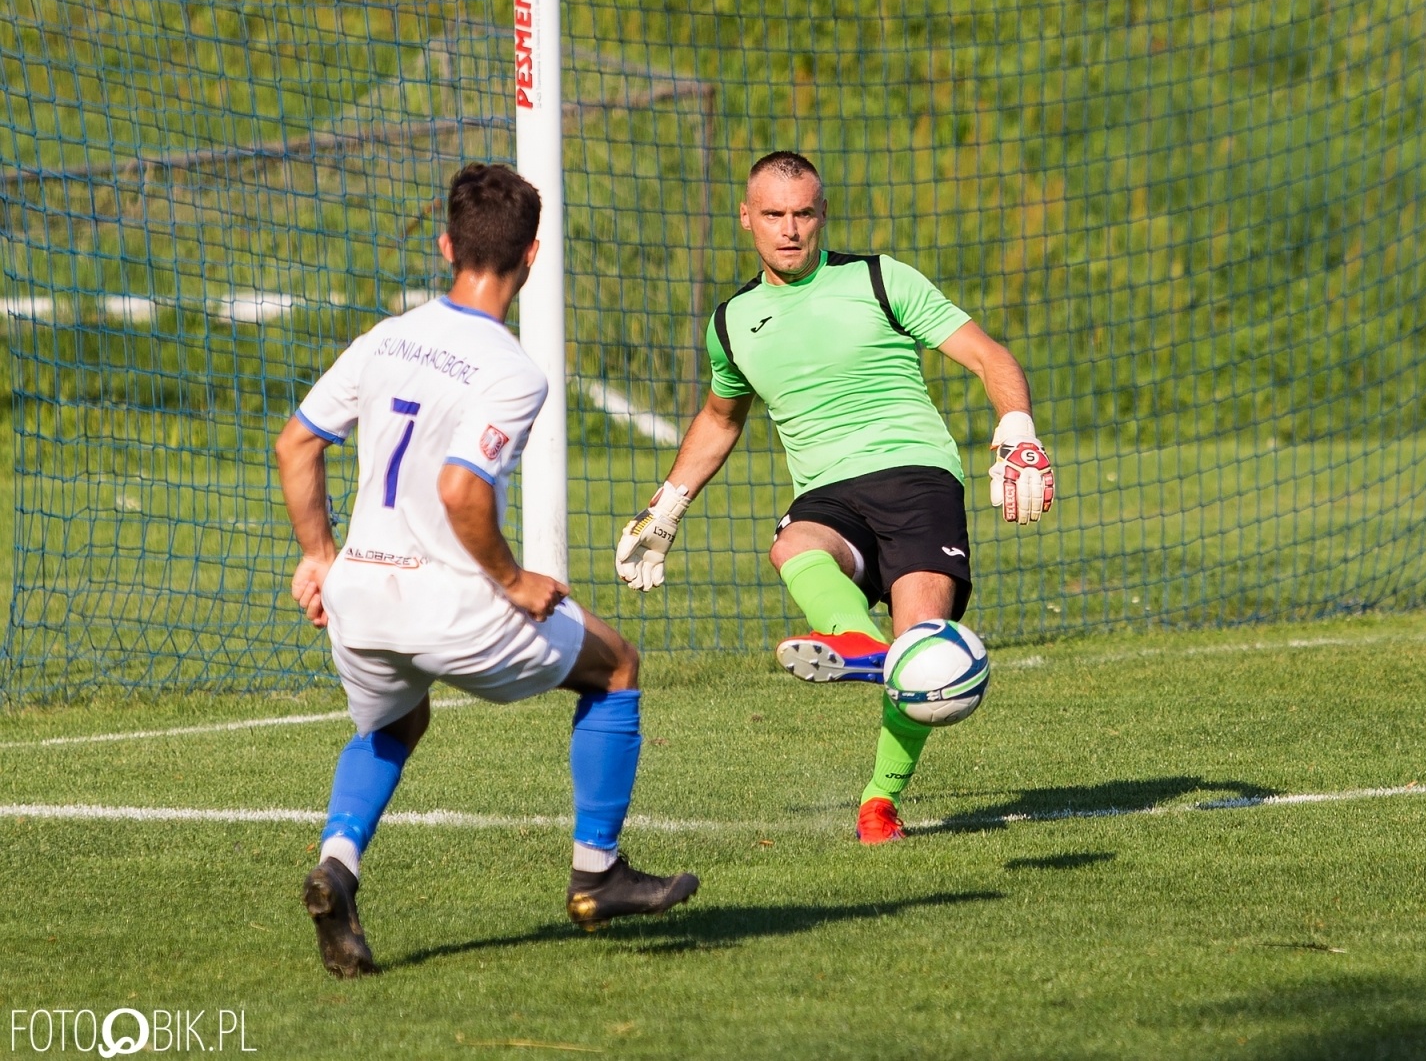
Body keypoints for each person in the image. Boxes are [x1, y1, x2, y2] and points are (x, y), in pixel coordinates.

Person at [276, 162, 698, 978]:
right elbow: (462, 488)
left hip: (360, 597)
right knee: (616, 667)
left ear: (445, 246)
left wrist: (319, 556)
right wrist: (513, 581)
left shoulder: (383, 337)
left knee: (393, 723)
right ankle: (597, 873)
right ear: (533, 257)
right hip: (452, 605)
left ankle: (337, 866)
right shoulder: (512, 370)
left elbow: (297, 443)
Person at [614, 150, 1053, 844]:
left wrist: (1017, 432)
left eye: (803, 214)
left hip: (917, 478)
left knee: (923, 652)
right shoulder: (732, 321)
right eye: (773, 215)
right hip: (827, 493)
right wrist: (667, 505)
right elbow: (720, 419)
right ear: (746, 218)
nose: (789, 230)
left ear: (821, 214)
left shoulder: (880, 279)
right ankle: (857, 641)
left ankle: (879, 802)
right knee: (793, 541)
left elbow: (988, 356)